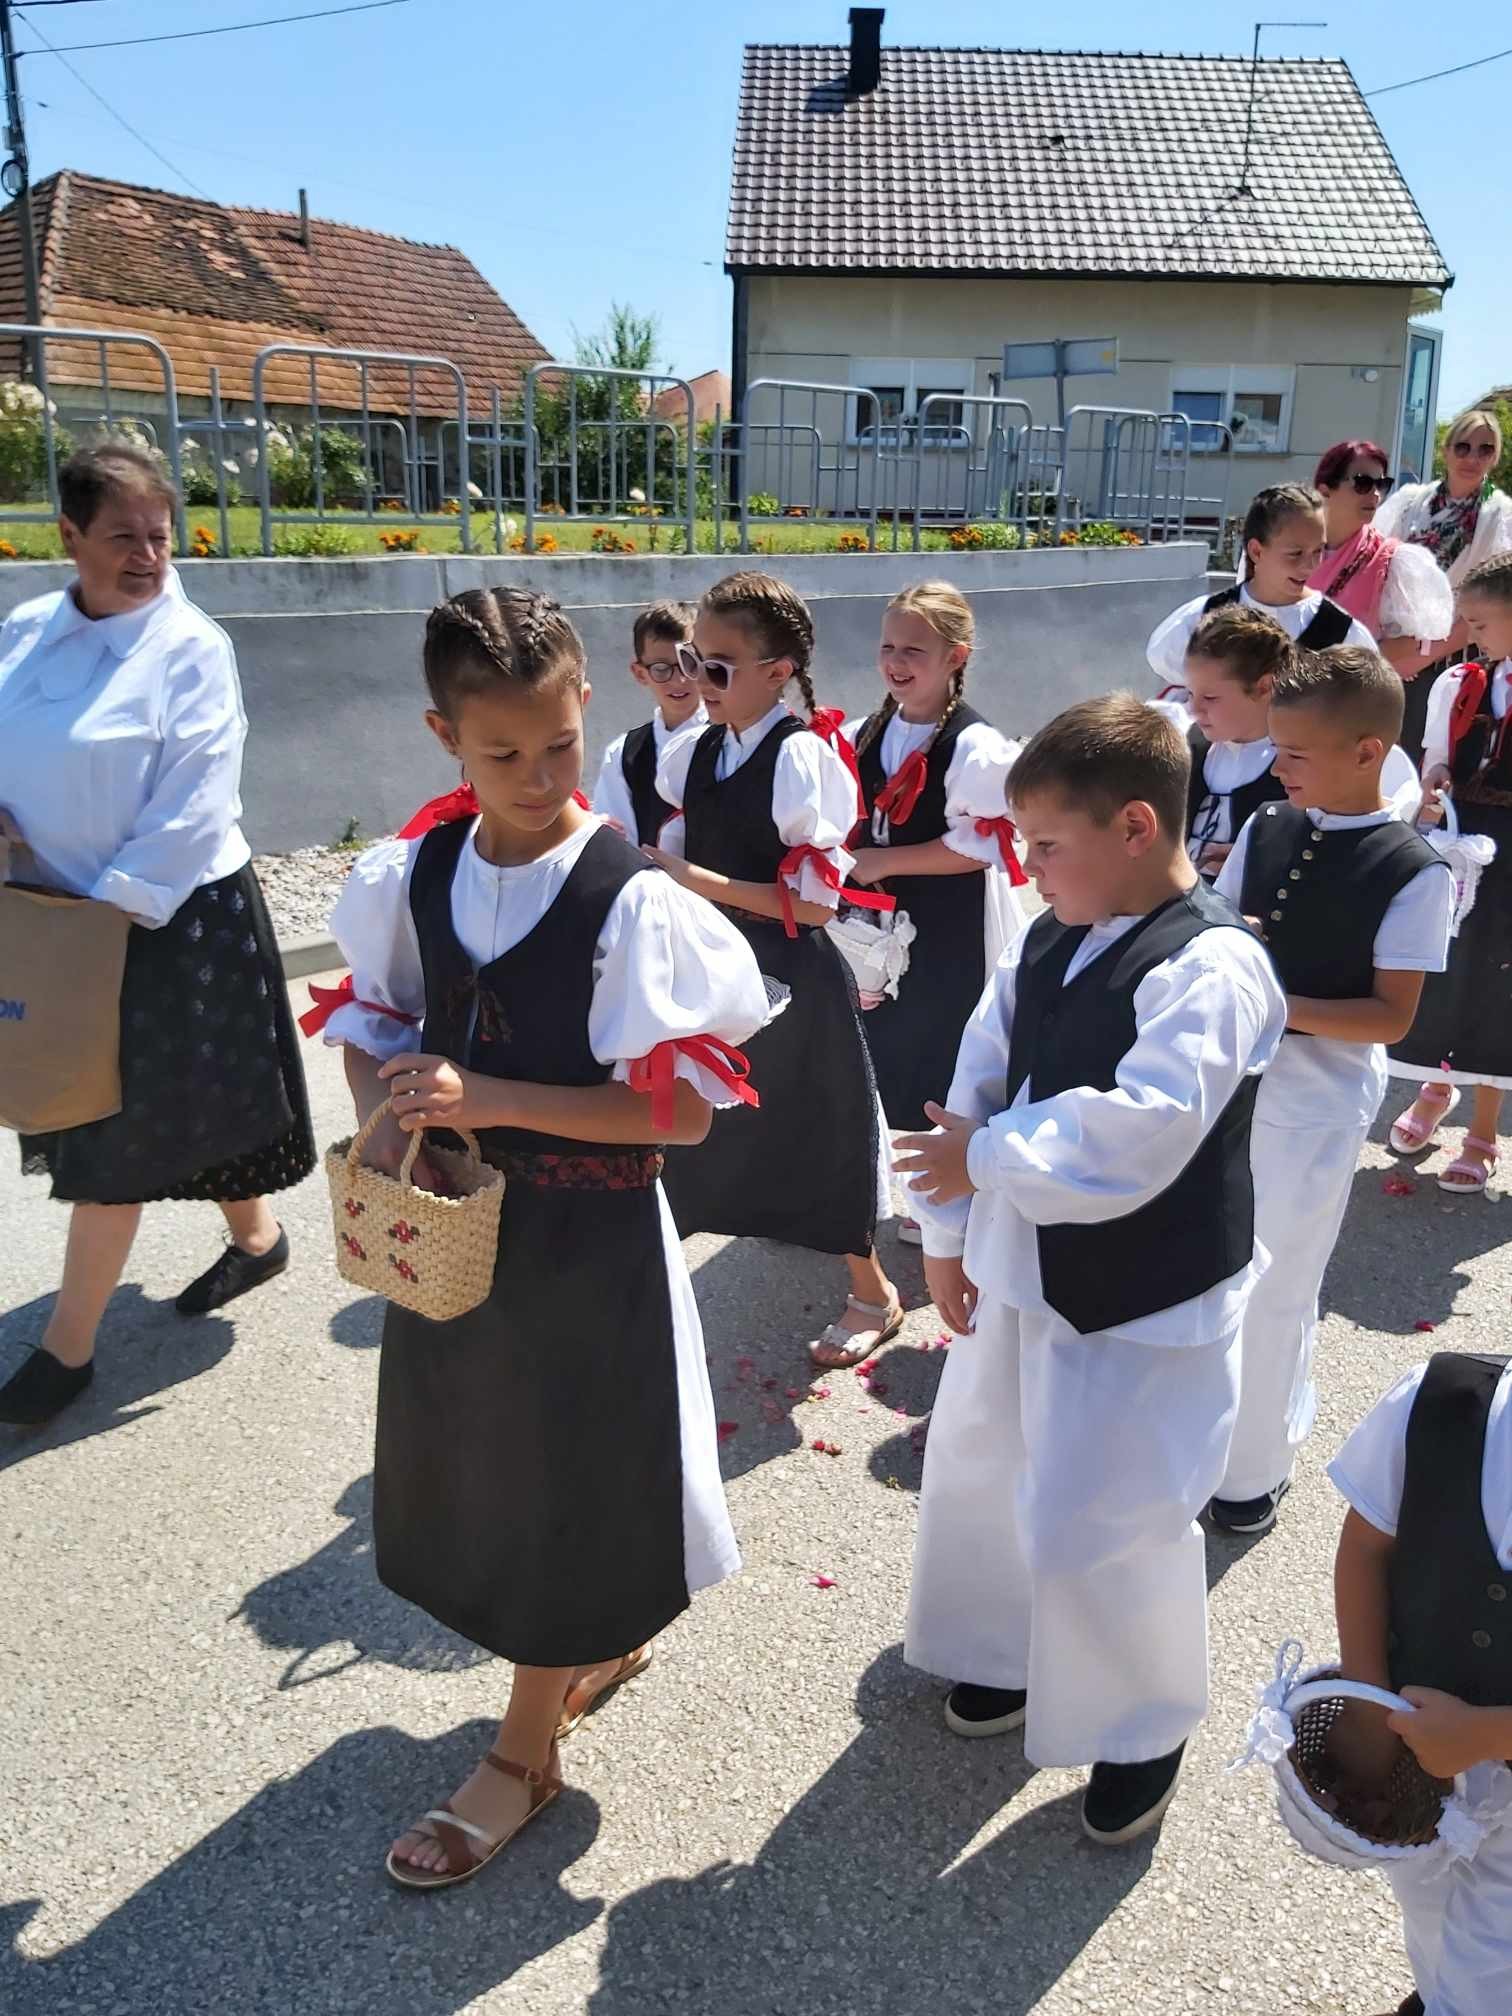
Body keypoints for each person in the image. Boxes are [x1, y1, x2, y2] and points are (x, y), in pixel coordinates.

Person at [320, 585, 770, 1890]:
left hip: (587, 1244)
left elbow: (680, 1118)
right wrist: (389, 1123)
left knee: (563, 1483)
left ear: (592, 709)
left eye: (560, 746)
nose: (535, 777)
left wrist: (493, 1097)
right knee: (485, 1464)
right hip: (460, 1237)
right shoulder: (418, 873)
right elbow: (384, 1027)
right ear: (442, 737)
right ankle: (589, 1649)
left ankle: (522, 1756)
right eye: (499, 753)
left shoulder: (634, 904)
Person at [896, 695, 1285, 1845]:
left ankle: (1137, 1722)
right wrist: (948, 1235)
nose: (1027, 865)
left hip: (1148, 1294)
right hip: (1027, 1267)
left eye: (1046, 844)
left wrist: (990, 1159)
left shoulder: (1216, 966)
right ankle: (1005, 1648)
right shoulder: (1048, 933)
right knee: (988, 1464)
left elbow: (1145, 1127)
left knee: (1107, 1514)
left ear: (1131, 827)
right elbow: (979, 1069)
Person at [0, 443, 314, 1429]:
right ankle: (260, 1243)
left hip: (169, 921)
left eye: (159, 535)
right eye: (121, 535)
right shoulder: (20, 632)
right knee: (187, 1106)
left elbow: (194, 802)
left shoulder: (191, 648)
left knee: (116, 1135)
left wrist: (110, 916)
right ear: (69, 537)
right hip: (51, 920)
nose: (146, 555)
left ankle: (68, 1353)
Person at [1209, 646, 1452, 1534]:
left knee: (1277, 1281)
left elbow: (1390, 1016)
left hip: (1315, 1104)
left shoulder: (1412, 867)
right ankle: (1204, 1434)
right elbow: (1225, 936)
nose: (1276, 766)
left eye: (1296, 753)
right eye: (1275, 747)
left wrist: (1273, 1006)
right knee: (1217, 1268)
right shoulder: (1267, 824)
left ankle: (1250, 1472)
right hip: (1232, 1089)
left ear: (1366, 752)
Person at [646, 570, 900, 1370]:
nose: (698, 681)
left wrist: (697, 884)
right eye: (693, 660)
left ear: (777, 672)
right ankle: (651, 1282)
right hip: (717, 972)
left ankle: (874, 1292)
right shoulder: (697, 751)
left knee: (816, 1130)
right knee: (689, 1124)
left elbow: (818, 907)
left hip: (791, 973)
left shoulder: (802, 760)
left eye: (717, 667)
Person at [1327, 1350, 1512, 2016]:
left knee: (1494, 1965)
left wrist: (1486, 1733)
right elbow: (1366, 1545)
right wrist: (1367, 1704)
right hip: (1420, 1761)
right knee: (1426, 1908)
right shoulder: (1438, 1402)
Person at [841, 582, 1026, 1238]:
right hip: (882, 921)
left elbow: (980, 848)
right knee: (884, 1043)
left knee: (942, 1048)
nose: (896, 661)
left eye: (914, 649)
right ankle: (906, 1183)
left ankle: (948, 1194)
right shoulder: (873, 729)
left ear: (955, 656)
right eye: (888, 646)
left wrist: (885, 861)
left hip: (946, 922)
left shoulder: (975, 746)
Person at [1387, 554, 1512, 1193]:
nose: (1471, 630)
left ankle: (1483, 1131)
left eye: (1482, 619)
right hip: (1467, 849)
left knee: (1500, 983)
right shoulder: (1459, 682)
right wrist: (1435, 786)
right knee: (1450, 967)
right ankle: (1438, 1085)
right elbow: (1436, 762)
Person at [1374, 407, 1512, 767]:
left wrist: (1420, 655)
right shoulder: (1409, 503)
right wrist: (1386, 649)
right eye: (1463, 446)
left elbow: (1490, 607)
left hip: (1451, 657)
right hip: (1389, 648)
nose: (1472, 457)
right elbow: (1375, 566)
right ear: (1446, 450)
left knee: (1423, 759)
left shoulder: (1499, 516)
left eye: (1485, 449)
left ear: (1495, 457)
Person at [1146, 483, 1377, 688]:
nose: (1309, 566)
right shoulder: (1205, 618)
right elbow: (1167, 663)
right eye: (1295, 553)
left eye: (1319, 551)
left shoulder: (1340, 631)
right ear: (1257, 551)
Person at [1308, 439, 1455, 682]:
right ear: (1325, 490)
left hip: (1354, 697)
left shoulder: (1392, 561)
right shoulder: (1288, 546)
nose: (1375, 494)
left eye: (1382, 484)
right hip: (1285, 695)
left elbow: (1415, 642)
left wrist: (1335, 666)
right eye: (1363, 483)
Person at [589, 599, 705, 844]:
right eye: (662, 669)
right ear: (640, 673)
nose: (679, 681)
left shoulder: (732, 739)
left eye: (688, 664)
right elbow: (618, 844)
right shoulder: (623, 755)